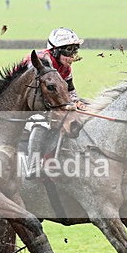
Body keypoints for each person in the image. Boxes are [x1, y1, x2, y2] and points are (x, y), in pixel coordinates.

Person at [24, 27, 84, 177]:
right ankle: (32, 165)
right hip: (25, 102)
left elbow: (71, 91)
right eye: (68, 51)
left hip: (46, 101)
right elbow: (34, 93)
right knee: (42, 120)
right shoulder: (41, 61)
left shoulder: (66, 69)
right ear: (55, 51)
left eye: (74, 51)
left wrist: (77, 103)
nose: (72, 56)